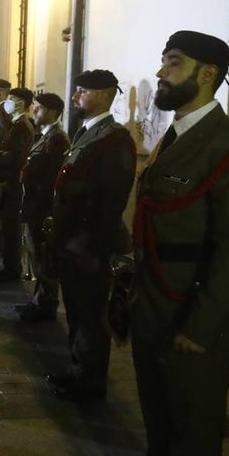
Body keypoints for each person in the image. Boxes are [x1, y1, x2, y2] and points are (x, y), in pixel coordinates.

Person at [109, 31, 229, 456]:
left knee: (194, 428)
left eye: (173, 63)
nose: (160, 73)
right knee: (160, 415)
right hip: (155, 303)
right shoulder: (176, 137)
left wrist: (201, 325)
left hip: (192, 310)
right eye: (162, 62)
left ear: (207, 74)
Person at [46, 69, 136, 402]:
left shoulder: (114, 139)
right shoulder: (88, 133)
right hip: (74, 241)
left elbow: (111, 202)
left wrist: (94, 249)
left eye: (81, 91)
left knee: (90, 317)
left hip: (89, 245)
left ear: (104, 94)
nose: (74, 97)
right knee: (77, 312)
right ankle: (79, 370)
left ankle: (90, 383)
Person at [15, 92, 70, 322]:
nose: (34, 111)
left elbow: (50, 179)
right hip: (34, 205)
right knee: (38, 256)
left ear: (53, 112)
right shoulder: (46, 136)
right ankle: (38, 301)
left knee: (44, 258)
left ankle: (46, 304)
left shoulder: (57, 139)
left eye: (38, 108)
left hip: (42, 208)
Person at [0, 87, 36, 283]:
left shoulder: (22, 126)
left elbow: (15, 157)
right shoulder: (16, 124)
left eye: (13, 98)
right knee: (6, 227)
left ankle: (12, 269)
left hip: (13, 183)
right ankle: (8, 266)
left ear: (22, 103)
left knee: (11, 228)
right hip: (9, 182)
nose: (8, 101)